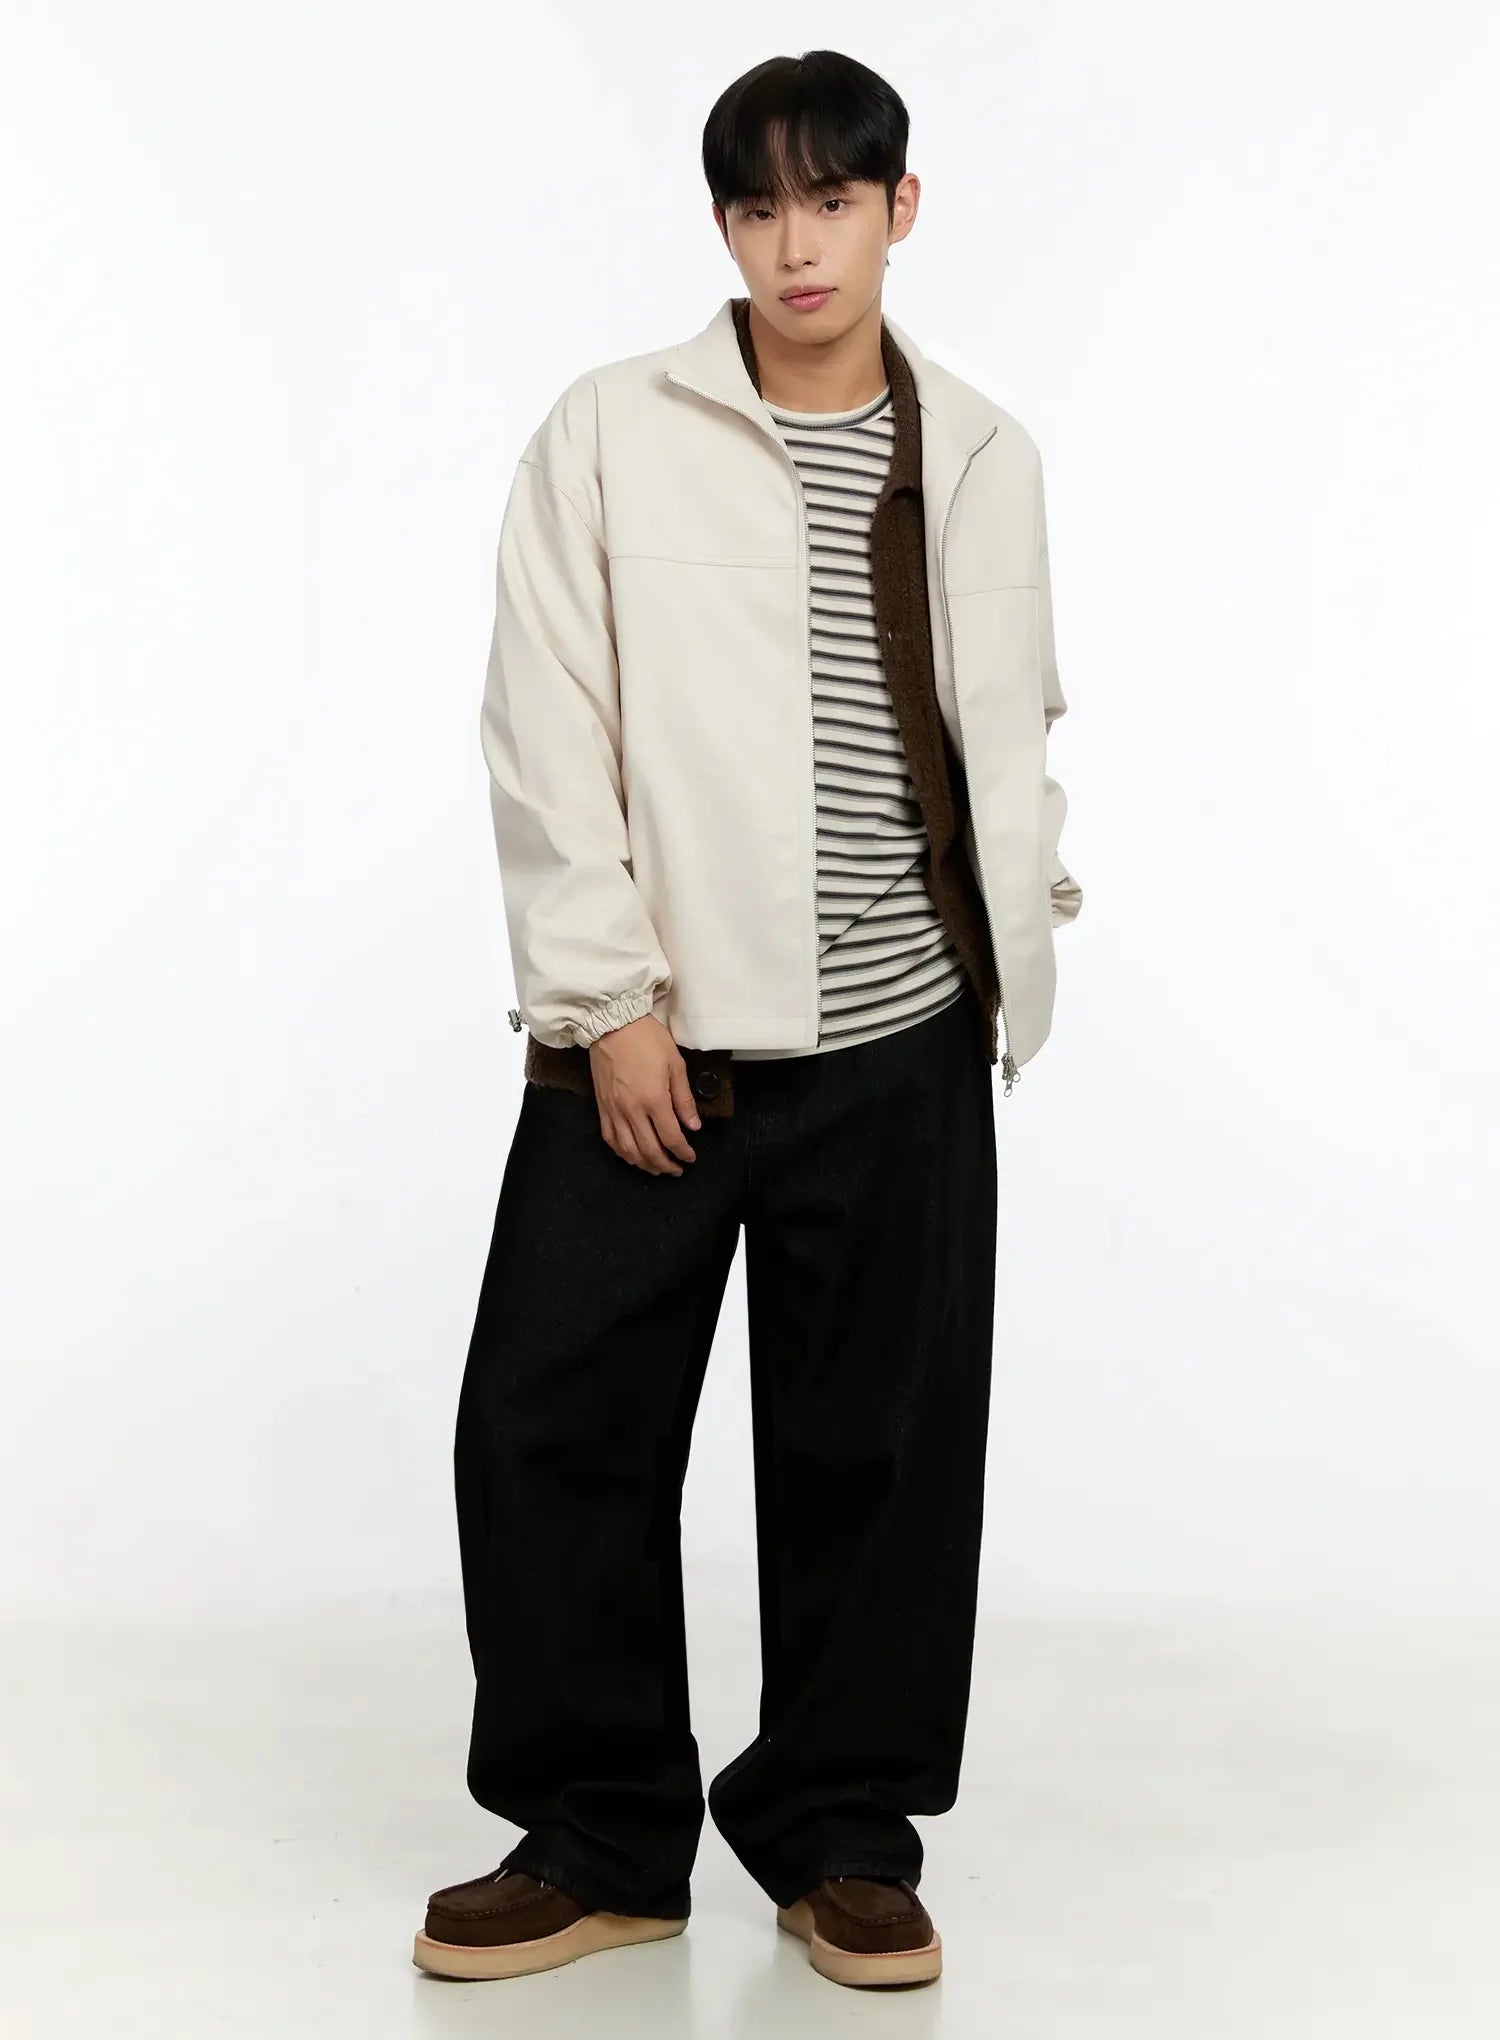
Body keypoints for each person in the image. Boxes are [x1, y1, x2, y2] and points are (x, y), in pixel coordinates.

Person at [412, 46, 1082, 1993]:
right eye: (761, 205)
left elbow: (1008, 720)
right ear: (724, 225)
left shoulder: (983, 451)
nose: (800, 243)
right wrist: (608, 1002)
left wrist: (1008, 946)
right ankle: (600, 1835)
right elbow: (547, 724)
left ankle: (841, 1831)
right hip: (660, 1040)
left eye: (834, 200)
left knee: (883, 1453)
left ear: (900, 209)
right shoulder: (611, 431)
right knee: (549, 1423)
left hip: (902, 1037)